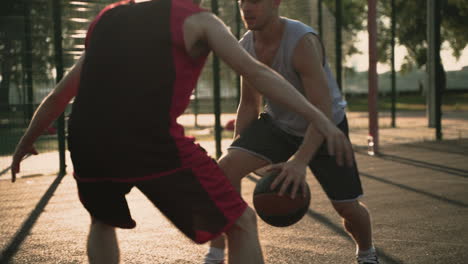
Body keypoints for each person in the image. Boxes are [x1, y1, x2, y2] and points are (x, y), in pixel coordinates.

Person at [10, 0, 355, 263]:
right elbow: (257, 74)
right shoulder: (199, 21)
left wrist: (28, 138)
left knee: (102, 221)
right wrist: (320, 118)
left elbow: (60, 94)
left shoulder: (108, 18)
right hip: (150, 142)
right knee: (242, 222)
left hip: (86, 139)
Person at [204, 0, 379, 264]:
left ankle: (367, 254)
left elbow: (322, 109)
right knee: (225, 169)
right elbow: (250, 103)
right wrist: (239, 150)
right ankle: (215, 256)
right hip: (279, 125)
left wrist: (299, 162)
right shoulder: (246, 45)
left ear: (275, 2)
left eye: (254, 2)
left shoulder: (301, 42)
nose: (246, 9)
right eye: (242, 3)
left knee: (347, 208)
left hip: (326, 125)